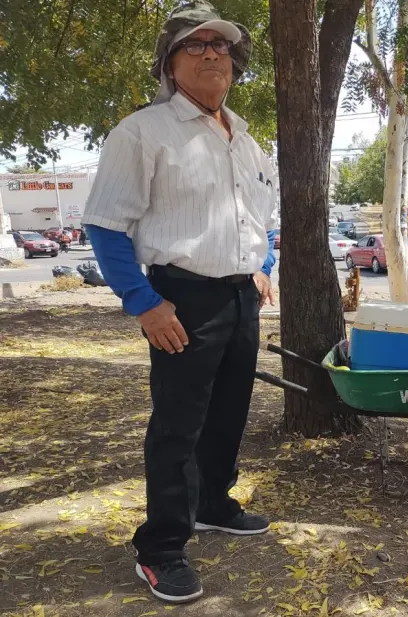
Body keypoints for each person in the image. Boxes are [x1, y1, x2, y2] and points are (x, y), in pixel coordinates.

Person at [82, 1, 277, 604]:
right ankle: (161, 548)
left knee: (228, 414)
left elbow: (265, 217)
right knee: (177, 426)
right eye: (196, 45)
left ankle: (213, 503)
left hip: (241, 297)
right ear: (170, 63)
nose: (213, 52)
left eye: (221, 45)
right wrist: (143, 301)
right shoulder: (143, 132)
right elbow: (107, 225)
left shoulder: (243, 137)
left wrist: (263, 267)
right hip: (182, 298)